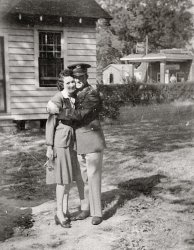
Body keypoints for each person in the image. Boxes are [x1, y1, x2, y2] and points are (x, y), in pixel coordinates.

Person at [58, 63, 106, 225]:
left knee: (93, 176)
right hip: (79, 141)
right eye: (75, 77)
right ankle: (85, 209)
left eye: (81, 77)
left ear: (86, 77)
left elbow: (79, 115)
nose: (78, 80)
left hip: (92, 139)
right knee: (82, 178)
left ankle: (97, 213)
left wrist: (58, 110)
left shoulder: (92, 93)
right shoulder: (75, 93)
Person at [45, 69, 78, 228]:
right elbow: (50, 122)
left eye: (72, 81)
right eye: (68, 82)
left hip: (71, 142)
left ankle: (65, 210)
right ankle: (59, 213)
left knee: (68, 178)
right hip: (60, 142)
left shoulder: (73, 97)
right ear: (62, 85)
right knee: (61, 179)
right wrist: (49, 146)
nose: (71, 84)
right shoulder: (58, 98)